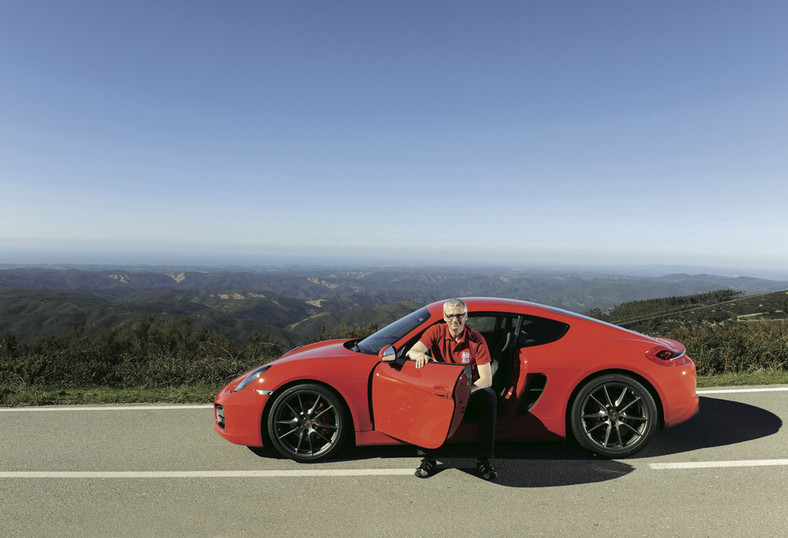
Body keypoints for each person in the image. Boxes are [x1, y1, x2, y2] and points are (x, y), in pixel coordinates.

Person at [406, 298, 498, 480]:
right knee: (423, 393)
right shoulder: (435, 331)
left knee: (489, 396)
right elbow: (411, 351)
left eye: (459, 316)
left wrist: (461, 395)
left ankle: (483, 459)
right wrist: (420, 356)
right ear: (444, 317)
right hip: (441, 393)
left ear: (466, 316)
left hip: (467, 394)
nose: (454, 321)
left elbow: (486, 379)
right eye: (450, 316)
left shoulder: (476, 340)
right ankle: (428, 458)